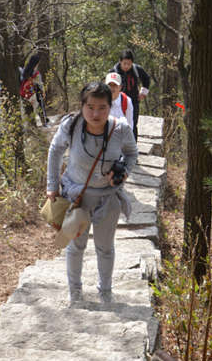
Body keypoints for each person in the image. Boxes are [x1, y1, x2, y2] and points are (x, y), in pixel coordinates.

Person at [46, 82, 138, 305]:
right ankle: (74, 292)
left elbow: (132, 153)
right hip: (76, 196)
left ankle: (105, 291)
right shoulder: (72, 125)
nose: (96, 113)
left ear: (110, 107)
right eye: (90, 107)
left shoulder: (120, 129)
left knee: (105, 247)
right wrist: (52, 184)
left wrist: (123, 172)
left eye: (102, 108)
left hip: (108, 197)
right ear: (82, 105)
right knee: (75, 246)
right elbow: (56, 149)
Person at [110, 49, 150, 139]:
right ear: (120, 62)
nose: (127, 66)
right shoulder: (114, 72)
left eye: (129, 64)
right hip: (118, 103)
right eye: (124, 63)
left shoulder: (136, 69)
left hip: (134, 101)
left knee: (132, 124)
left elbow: (146, 78)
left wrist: (143, 93)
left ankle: (132, 148)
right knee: (117, 125)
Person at [19, 54, 48, 126]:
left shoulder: (24, 71)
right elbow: (40, 84)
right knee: (41, 107)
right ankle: (44, 123)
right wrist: (43, 92)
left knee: (29, 109)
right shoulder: (36, 73)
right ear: (36, 63)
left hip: (26, 93)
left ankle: (31, 124)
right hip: (36, 92)